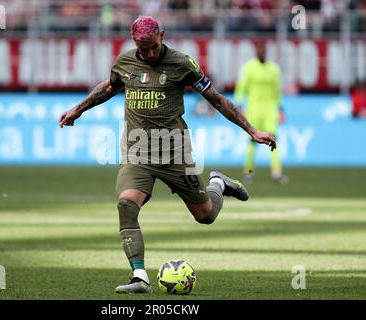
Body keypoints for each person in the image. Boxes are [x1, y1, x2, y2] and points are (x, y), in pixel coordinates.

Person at [59, 16, 276, 294]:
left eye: (152, 47)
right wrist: (78, 108)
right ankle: (139, 276)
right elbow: (108, 88)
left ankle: (218, 184)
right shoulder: (125, 63)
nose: (148, 54)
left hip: (175, 153)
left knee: (205, 215)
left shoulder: (182, 64)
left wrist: (252, 130)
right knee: (126, 204)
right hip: (137, 154)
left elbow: (217, 99)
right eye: (142, 49)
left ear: (161, 35)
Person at [234, 42, 288, 184]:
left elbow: (277, 90)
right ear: (256, 53)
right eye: (260, 51)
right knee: (252, 141)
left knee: (273, 140)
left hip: (270, 110)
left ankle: (276, 172)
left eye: (264, 51)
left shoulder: (274, 69)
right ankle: (249, 172)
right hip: (254, 110)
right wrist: (239, 105)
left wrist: (281, 108)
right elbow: (241, 87)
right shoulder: (249, 68)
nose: (261, 53)